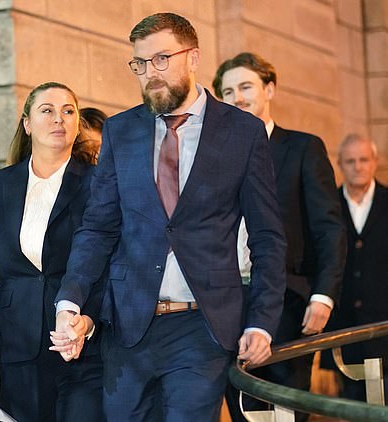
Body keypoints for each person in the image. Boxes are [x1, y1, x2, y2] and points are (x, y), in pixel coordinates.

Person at [54, 13, 287, 422]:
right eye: (140, 64)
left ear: (193, 57)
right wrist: (69, 302)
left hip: (203, 327)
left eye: (162, 58)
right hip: (127, 328)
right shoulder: (121, 131)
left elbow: (267, 237)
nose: (150, 73)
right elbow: (98, 227)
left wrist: (262, 322)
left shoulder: (243, 133)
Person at [0, 81, 105, 422]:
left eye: (69, 111)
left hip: (85, 343)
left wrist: (89, 321)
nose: (59, 119)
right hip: (19, 345)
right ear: (27, 123)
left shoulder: (99, 183)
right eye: (47, 111)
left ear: (78, 123)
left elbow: (110, 264)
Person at [213, 52, 347, 421]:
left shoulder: (303, 148)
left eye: (245, 87)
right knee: (242, 408)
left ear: (269, 89)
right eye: (227, 91)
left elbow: (329, 228)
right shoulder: (214, 159)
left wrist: (323, 297)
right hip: (226, 304)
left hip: (290, 304)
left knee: (288, 410)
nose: (236, 97)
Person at [326, 133, 388, 401]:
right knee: (352, 405)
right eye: (350, 161)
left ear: (375, 162)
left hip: (385, 327)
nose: (358, 166)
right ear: (340, 164)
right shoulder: (327, 207)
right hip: (345, 330)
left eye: (364, 159)